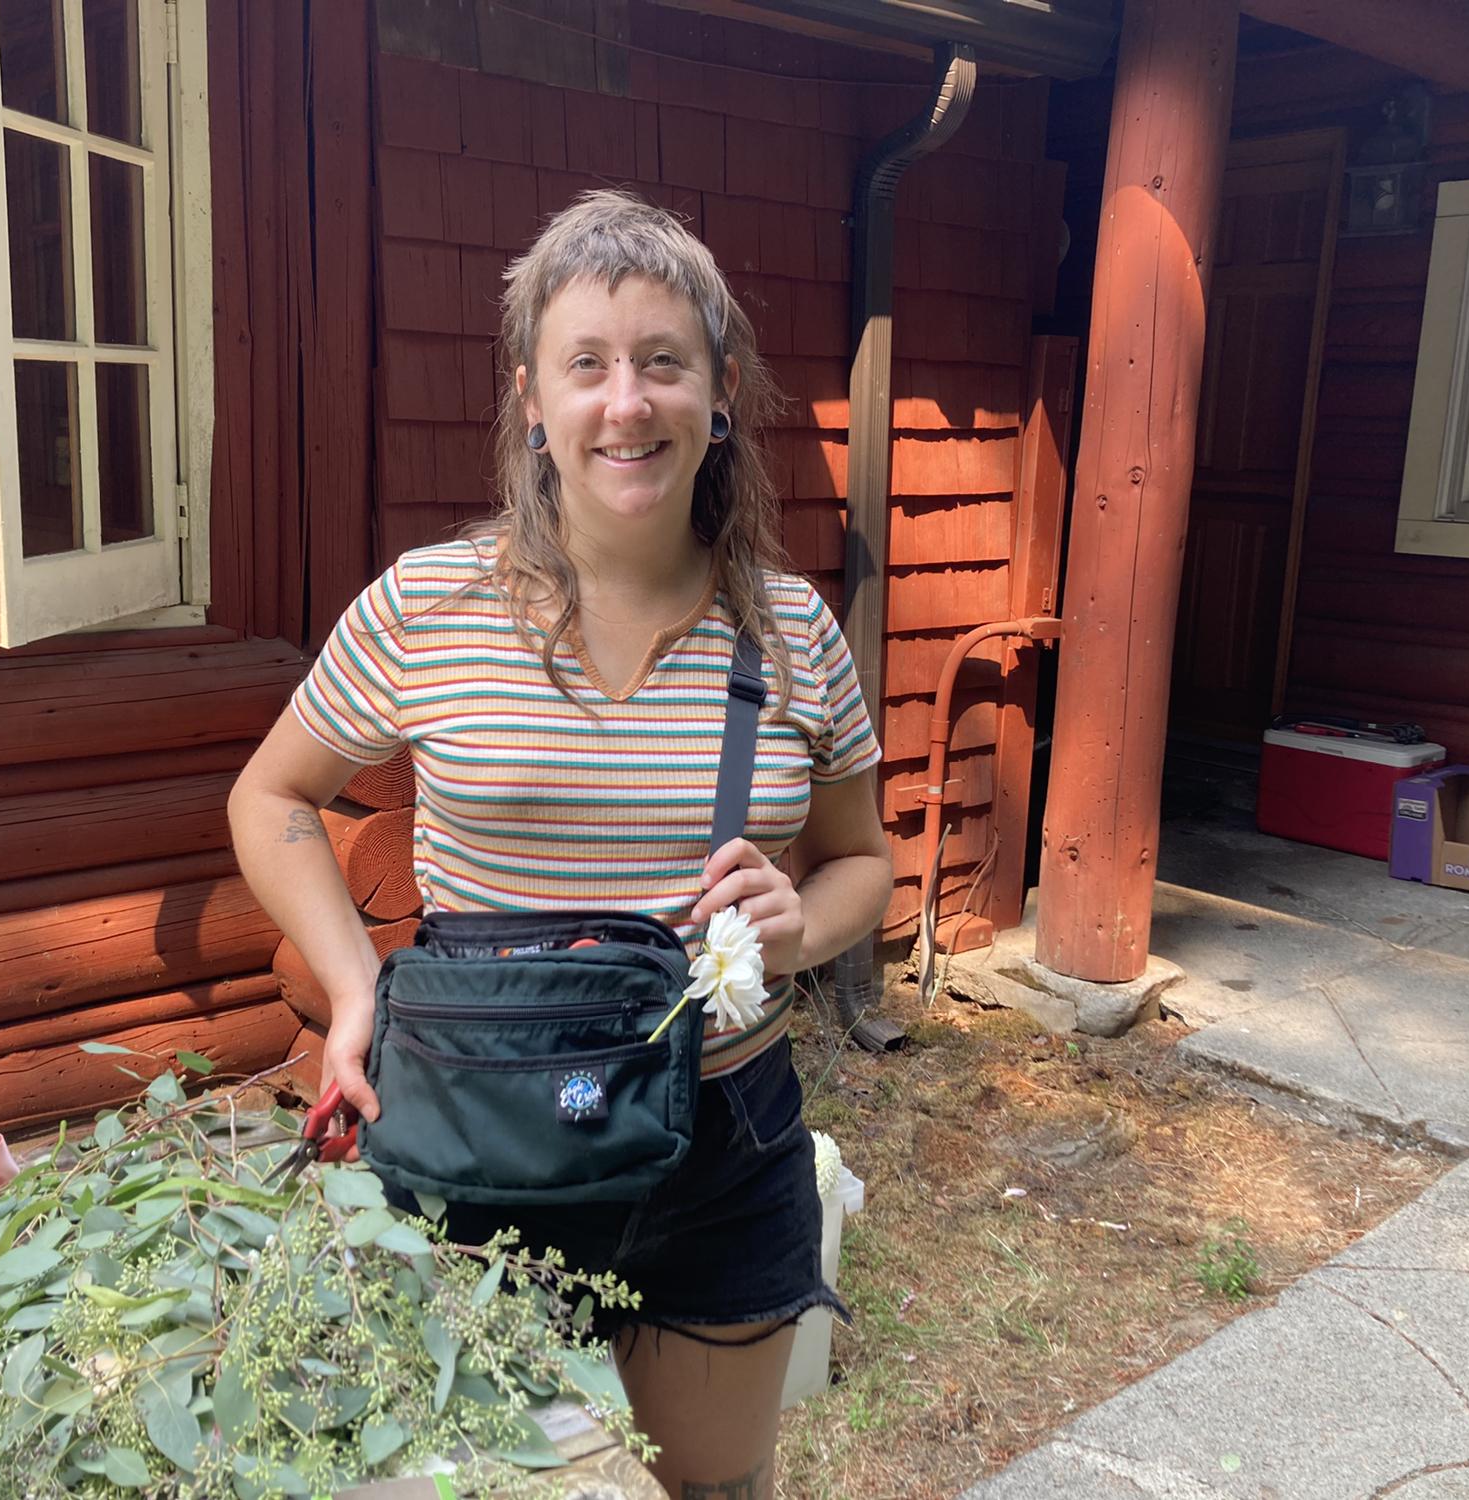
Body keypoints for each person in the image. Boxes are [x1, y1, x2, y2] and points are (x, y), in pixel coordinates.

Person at [228, 189, 892, 1496]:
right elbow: (273, 798)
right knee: (502, 1483)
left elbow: (865, 860)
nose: (624, 403)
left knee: (712, 1485)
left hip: (726, 1142)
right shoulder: (428, 603)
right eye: (586, 364)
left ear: (720, 391)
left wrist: (801, 925)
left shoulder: (798, 633)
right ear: (533, 397)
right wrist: (357, 984)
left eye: (662, 362)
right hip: (488, 1133)